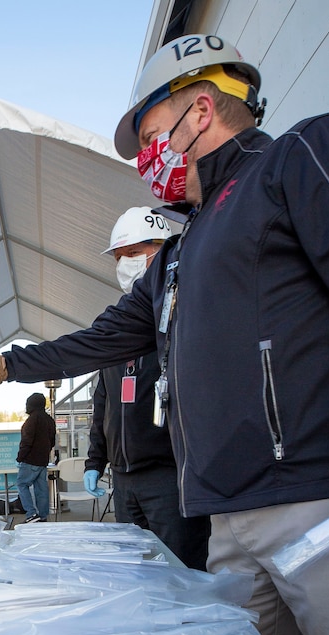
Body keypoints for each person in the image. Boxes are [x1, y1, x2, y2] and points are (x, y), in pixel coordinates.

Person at [0, 36, 329, 635]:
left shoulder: (298, 160)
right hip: (228, 518)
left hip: (315, 504)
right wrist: (8, 366)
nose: (145, 160)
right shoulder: (180, 250)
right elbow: (103, 338)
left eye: (150, 137)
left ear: (201, 111)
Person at [84, 206, 210, 570]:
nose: (126, 263)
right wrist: (96, 461)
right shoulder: (116, 327)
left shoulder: (182, 316)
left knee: (181, 571)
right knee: (137, 572)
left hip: (169, 475)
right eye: (120, 257)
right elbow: (102, 406)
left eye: (135, 254)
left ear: (163, 251)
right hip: (124, 480)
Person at [16, 392, 56, 522]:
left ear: (31, 405)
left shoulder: (32, 420)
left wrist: (20, 458)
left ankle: (31, 514)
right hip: (43, 461)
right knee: (41, 489)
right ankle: (43, 516)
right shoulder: (49, 420)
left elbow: (26, 442)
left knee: (22, 484)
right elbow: (52, 441)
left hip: (30, 460)